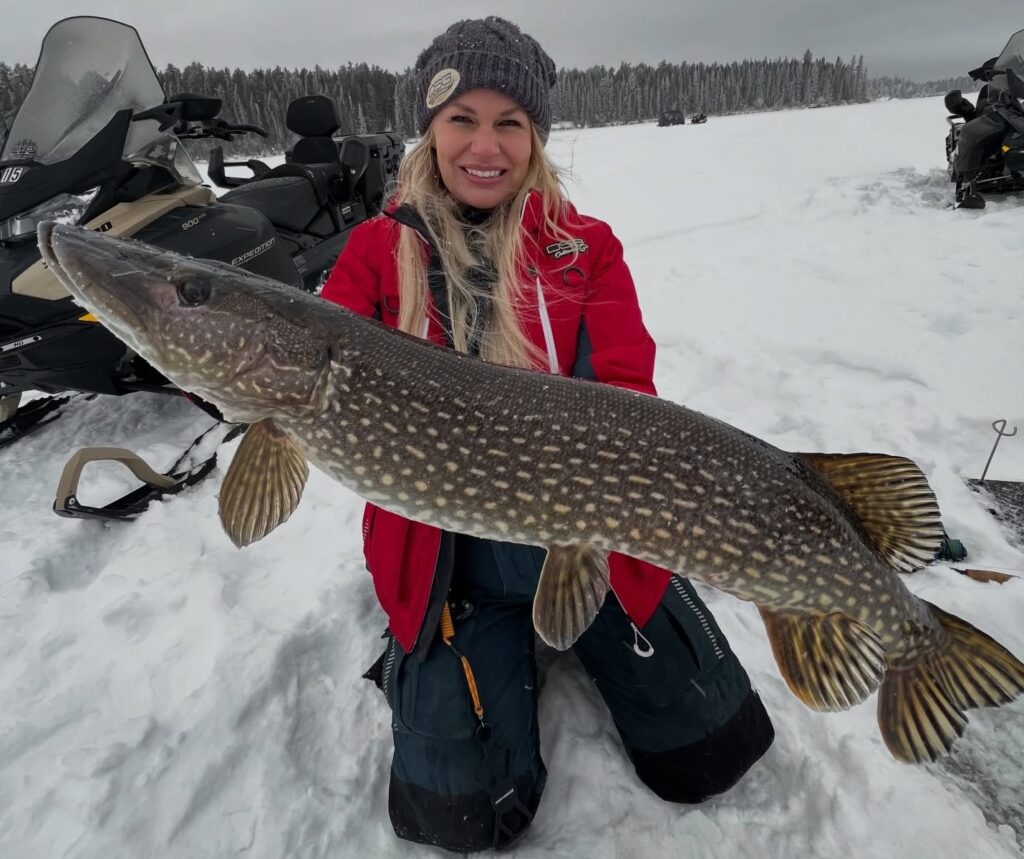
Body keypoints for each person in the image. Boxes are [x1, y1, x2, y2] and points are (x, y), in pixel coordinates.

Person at [321, 16, 774, 853]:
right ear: (430, 129)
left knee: (711, 751)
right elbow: (318, 354)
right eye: (462, 119)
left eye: (509, 123)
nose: (483, 146)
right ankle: (451, 654)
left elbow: (628, 396)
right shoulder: (378, 252)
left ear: (536, 137)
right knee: (462, 813)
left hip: (592, 543)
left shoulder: (584, 250)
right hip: (448, 561)